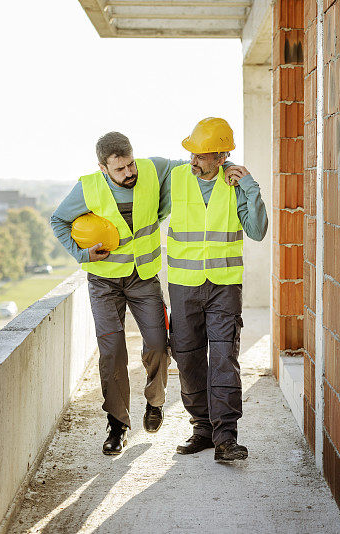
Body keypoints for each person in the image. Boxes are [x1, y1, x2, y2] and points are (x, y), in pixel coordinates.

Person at [50, 131, 240, 456]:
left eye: (130, 165)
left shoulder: (153, 169)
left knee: (157, 344)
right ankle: (118, 425)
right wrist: (83, 255)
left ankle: (155, 402)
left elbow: (196, 165)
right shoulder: (88, 187)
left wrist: (227, 165)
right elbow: (58, 221)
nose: (129, 173)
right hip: (103, 282)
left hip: (144, 279)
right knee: (111, 352)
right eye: (120, 169)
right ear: (103, 168)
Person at [167, 117, 268, 462]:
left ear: (221, 156)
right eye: (192, 154)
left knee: (224, 357)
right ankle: (202, 430)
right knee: (187, 355)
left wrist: (251, 188)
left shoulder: (236, 183)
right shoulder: (176, 178)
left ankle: (226, 437)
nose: (193, 161)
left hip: (224, 285)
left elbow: (257, 231)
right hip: (184, 286)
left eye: (201, 155)